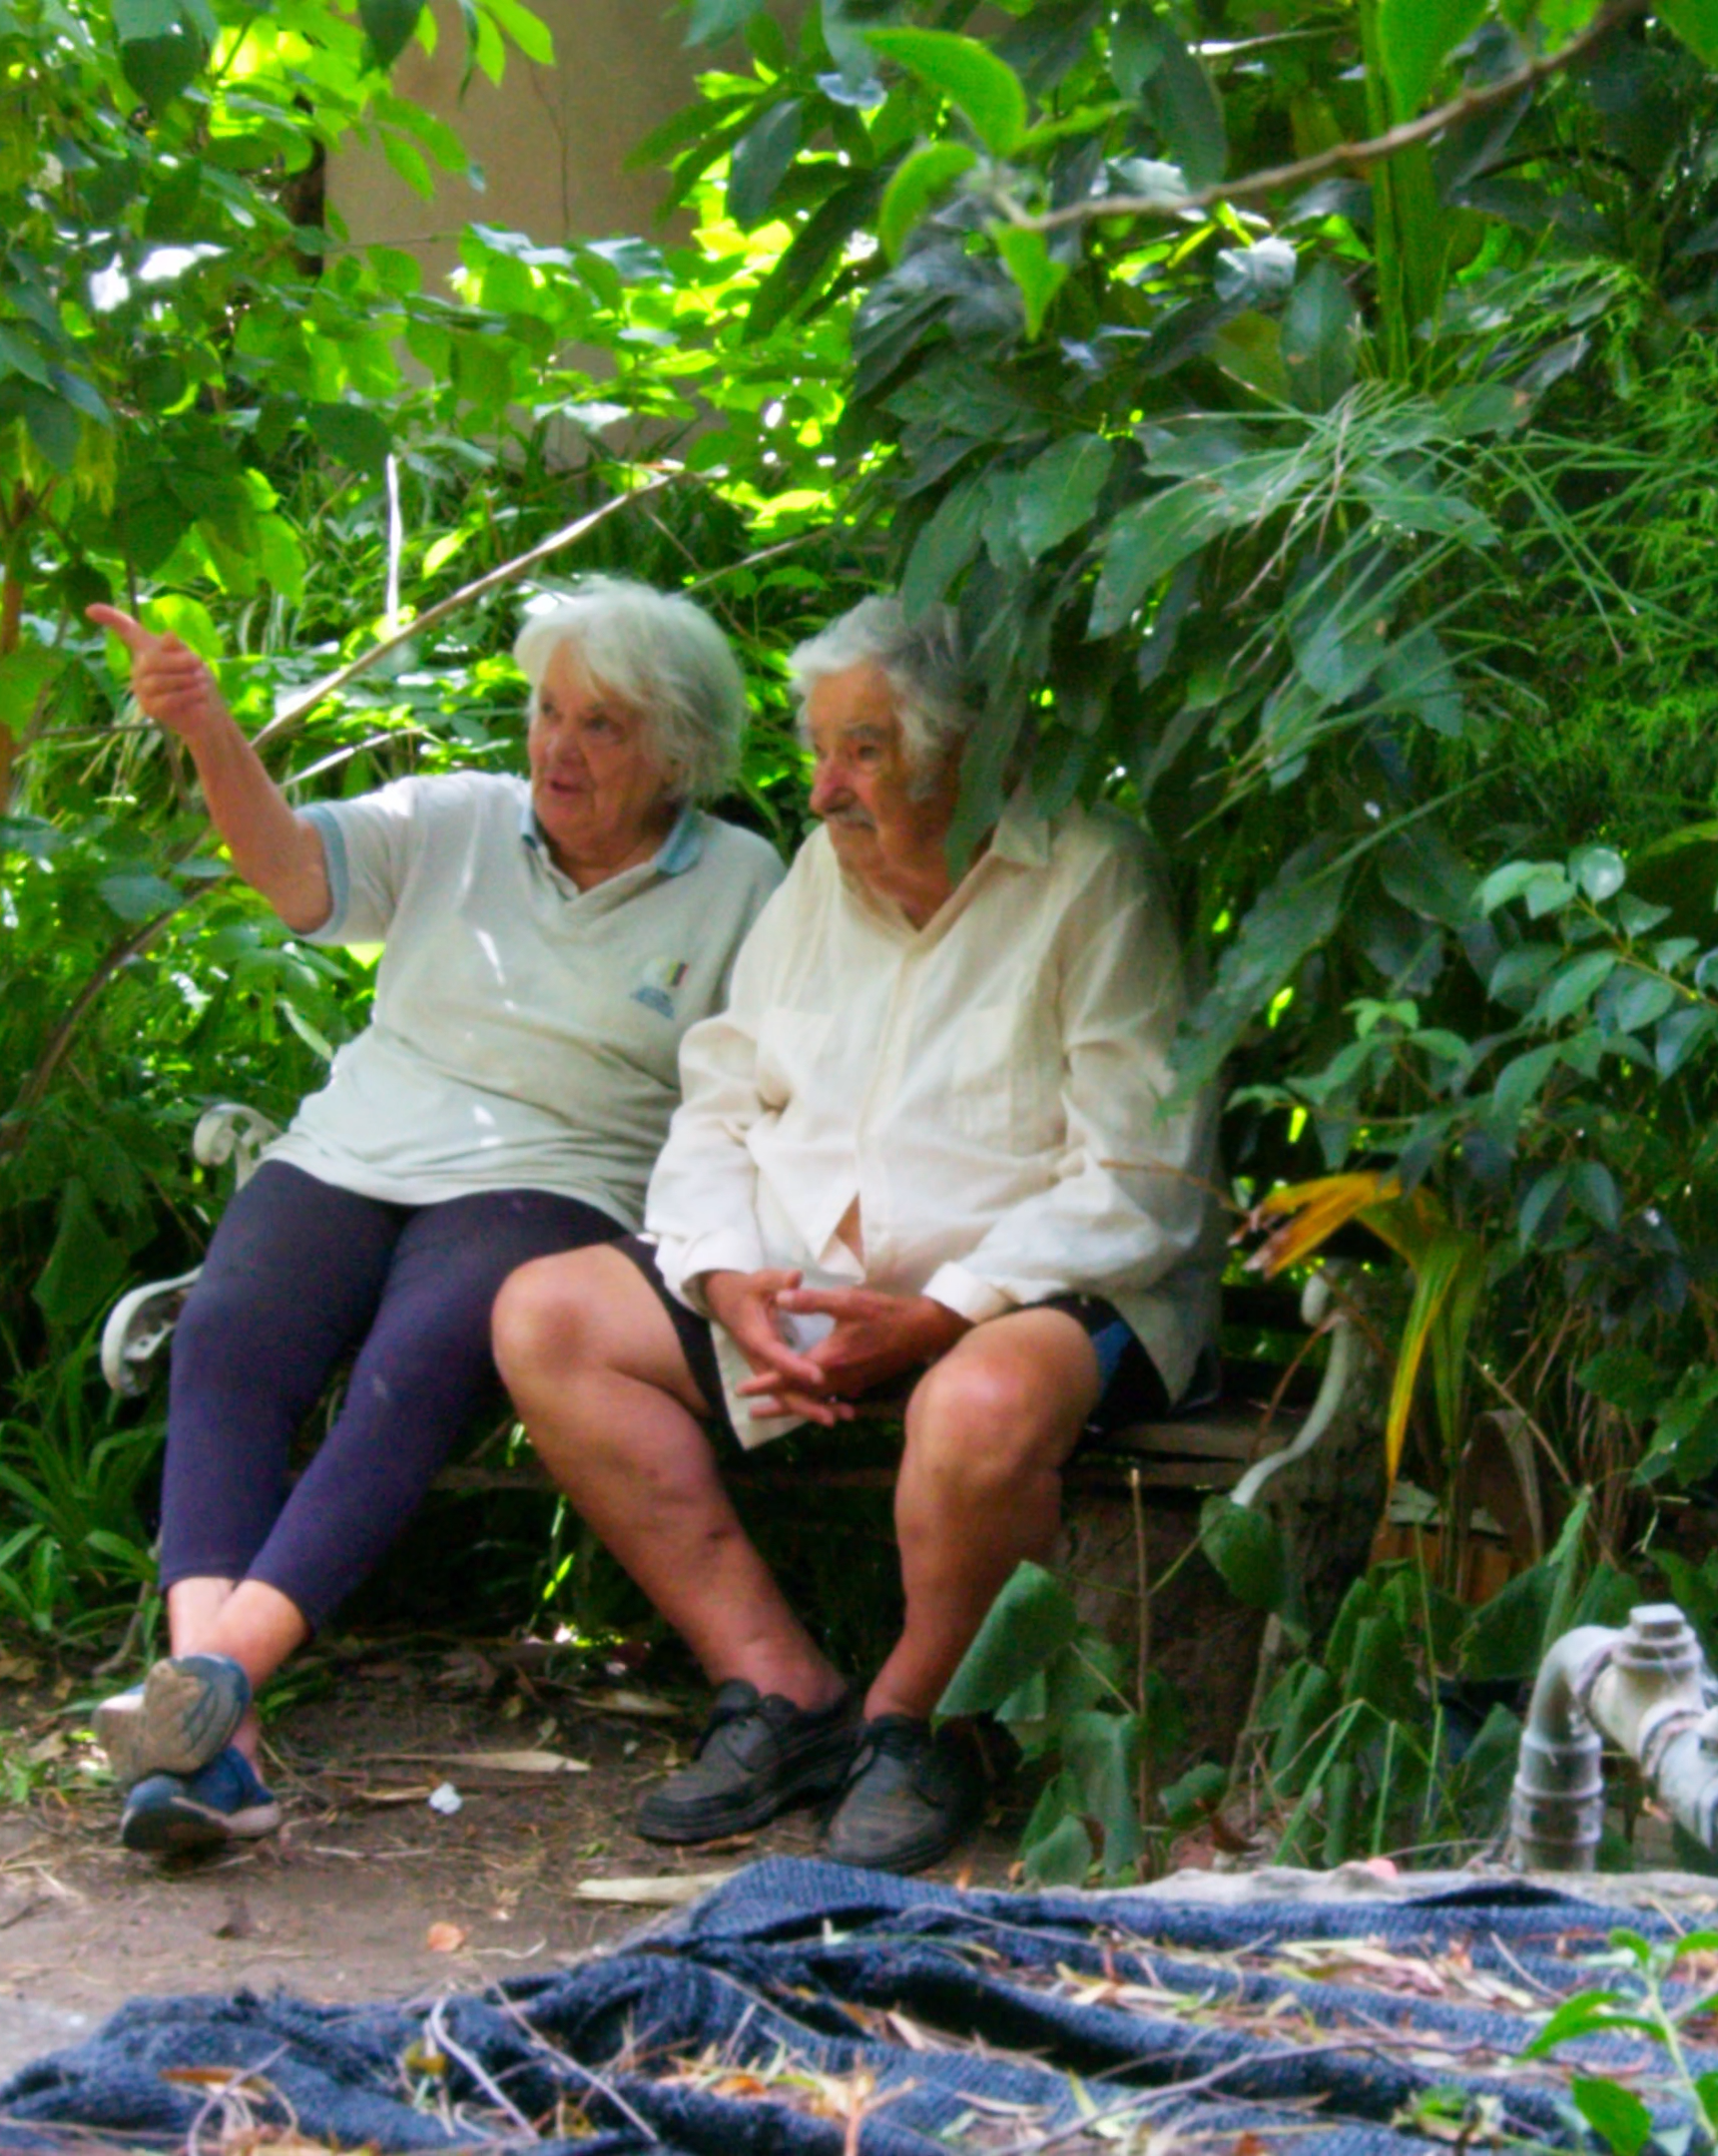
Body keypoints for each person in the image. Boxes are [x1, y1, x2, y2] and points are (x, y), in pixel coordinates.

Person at [489, 596, 1218, 1875]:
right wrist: (724, 1284)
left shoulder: (1091, 876)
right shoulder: (823, 878)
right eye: (819, 749)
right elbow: (720, 1099)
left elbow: (1143, 1178)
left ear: (967, 753)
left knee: (975, 1410)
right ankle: (780, 1689)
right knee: (545, 1319)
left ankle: (919, 1721)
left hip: (1044, 1292)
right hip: (805, 1283)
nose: (822, 791)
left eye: (863, 752)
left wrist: (946, 1312)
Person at [80, 578, 786, 1857]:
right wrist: (206, 732)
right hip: (359, 1145)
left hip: (555, 1174)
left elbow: (766, 1086)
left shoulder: (744, 881)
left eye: (603, 726)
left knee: (420, 1361)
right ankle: (214, 1728)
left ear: (679, 749)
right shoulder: (455, 819)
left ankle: (209, 1687)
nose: (557, 749)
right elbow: (293, 874)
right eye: (547, 711)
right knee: (227, 1333)